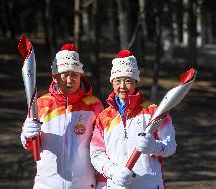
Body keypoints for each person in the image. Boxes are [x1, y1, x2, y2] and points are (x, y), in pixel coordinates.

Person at [20, 43, 104, 189]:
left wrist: (103, 183)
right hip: (47, 185)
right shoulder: (41, 104)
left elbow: (103, 146)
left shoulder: (93, 105)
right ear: (55, 77)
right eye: (65, 75)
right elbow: (30, 145)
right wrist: (27, 135)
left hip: (83, 185)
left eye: (74, 75)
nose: (70, 80)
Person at [90, 50, 177, 189]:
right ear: (112, 82)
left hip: (149, 185)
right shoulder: (104, 117)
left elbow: (171, 146)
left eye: (128, 81)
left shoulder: (152, 111)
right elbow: (96, 153)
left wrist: (154, 147)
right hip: (117, 184)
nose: (122, 86)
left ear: (136, 83)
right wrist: (113, 172)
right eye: (118, 81)